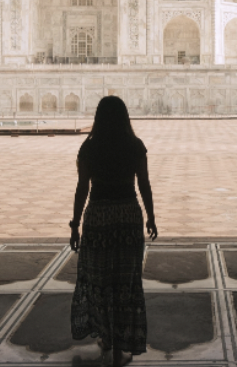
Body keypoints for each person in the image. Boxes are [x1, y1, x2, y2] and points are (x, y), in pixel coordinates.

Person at [69, 96, 158, 364]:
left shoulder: (89, 148)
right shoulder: (134, 146)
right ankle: (120, 345)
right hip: (128, 218)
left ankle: (107, 338)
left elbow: (82, 188)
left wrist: (75, 225)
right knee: (125, 284)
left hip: (98, 219)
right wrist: (151, 217)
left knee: (101, 282)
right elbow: (144, 184)